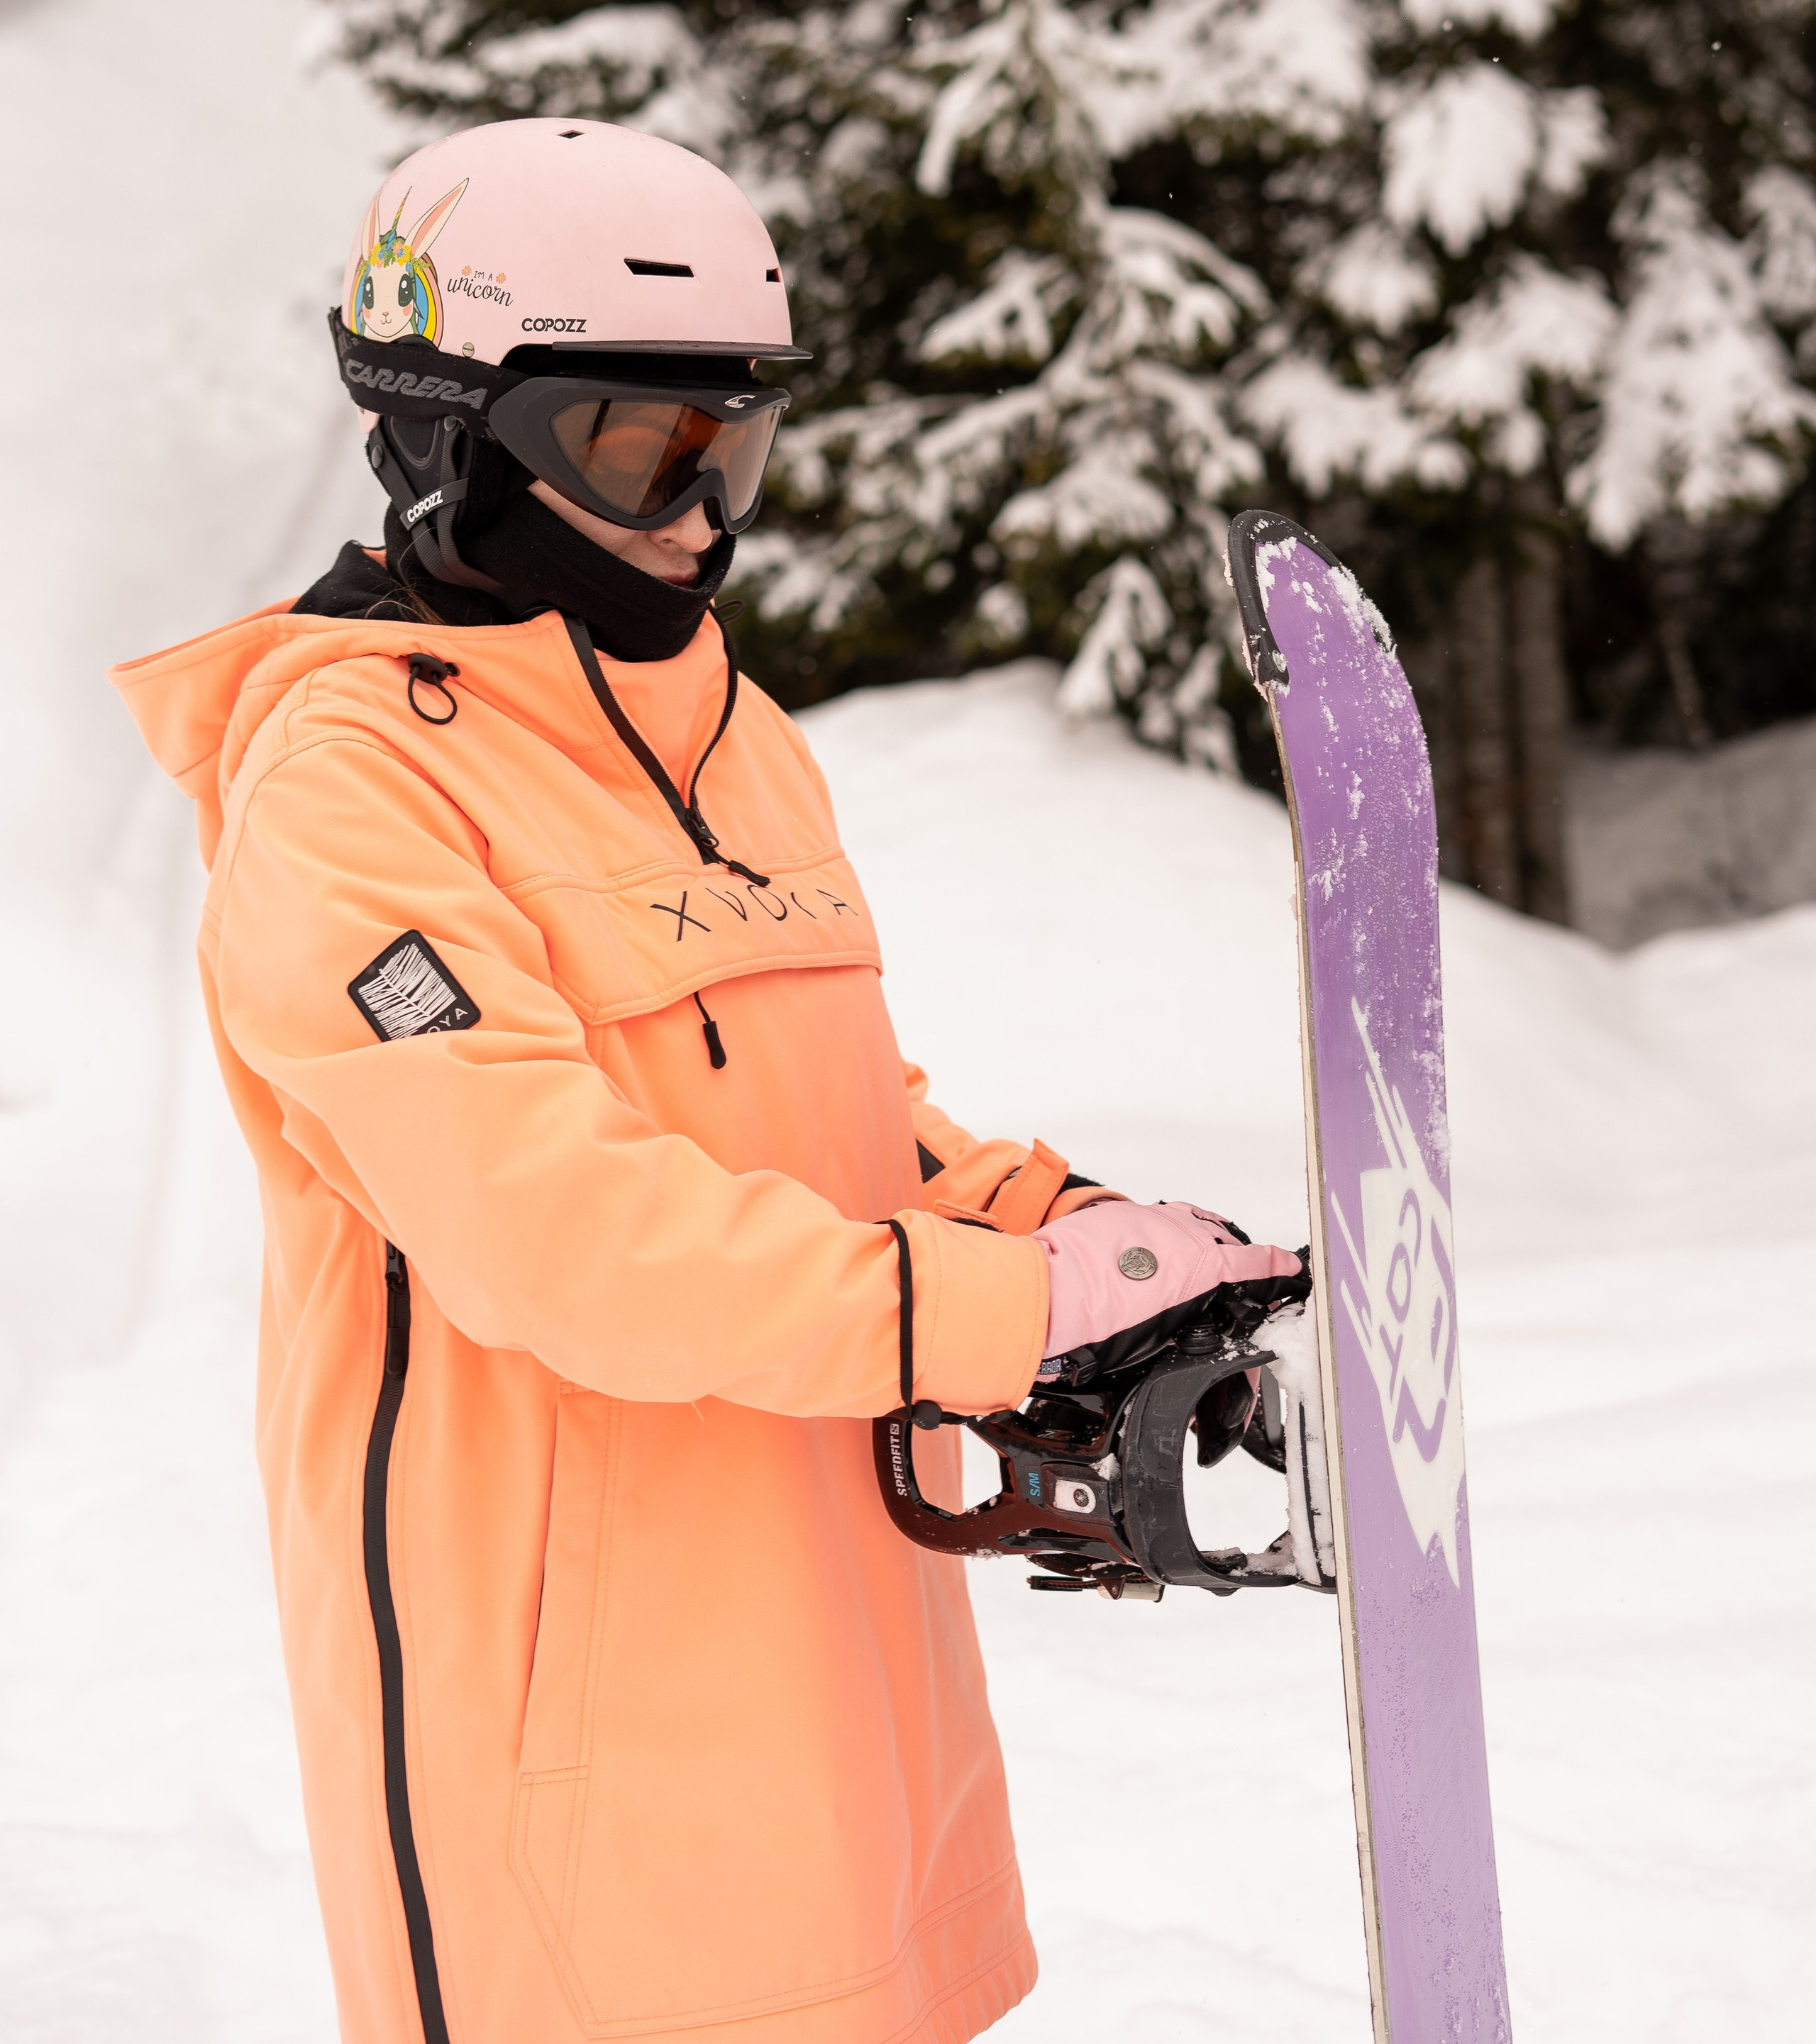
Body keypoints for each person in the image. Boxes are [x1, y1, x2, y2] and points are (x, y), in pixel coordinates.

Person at [115, 120, 1301, 2044]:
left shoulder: (735, 734)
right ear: (441, 431)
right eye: (638, 449)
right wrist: (999, 1310)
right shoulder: (348, 792)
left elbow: (838, 1118)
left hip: (839, 1672)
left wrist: (1067, 1238)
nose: (698, 518)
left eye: (733, 449)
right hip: (571, 1744)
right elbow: (565, 1233)